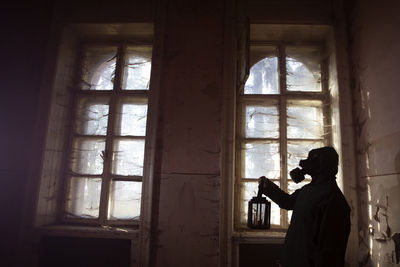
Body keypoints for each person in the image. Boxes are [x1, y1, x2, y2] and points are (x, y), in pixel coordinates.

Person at [258, 146, 350, 267]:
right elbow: (288, 202)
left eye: (314, 160)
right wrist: (268, 187)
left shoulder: (334, 200)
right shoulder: (308, 190)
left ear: (325, 165)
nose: (307, 164)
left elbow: (329, 254)